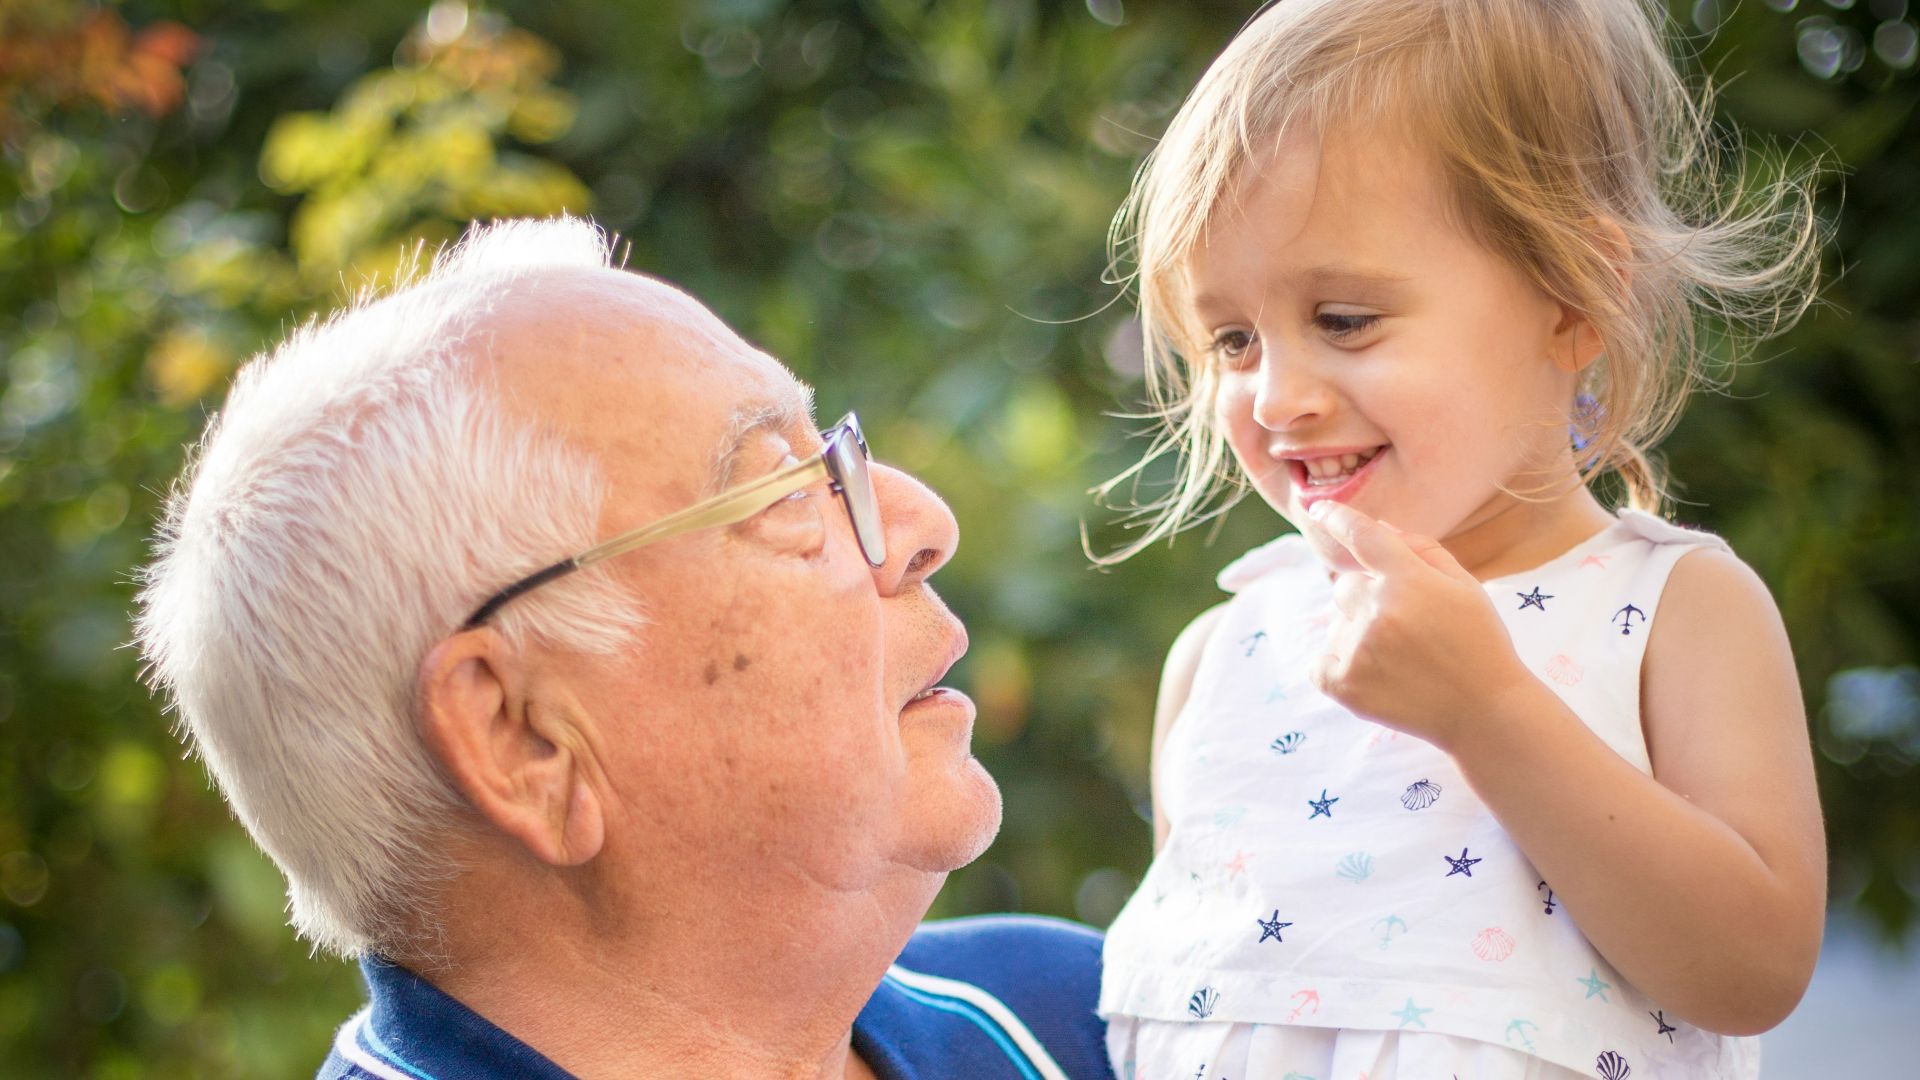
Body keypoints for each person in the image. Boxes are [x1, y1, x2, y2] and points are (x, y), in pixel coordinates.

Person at [134, 217, 1113, 1080]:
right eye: (778, 490)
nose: (919, 519)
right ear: (522, 738)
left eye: (833, 456)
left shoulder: (1102, 1022)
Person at [1089, 1, 1827, 1077]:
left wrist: (1490, 713)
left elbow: (1753, 971)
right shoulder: (1220, 658)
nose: (1277, 396)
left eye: (1344, 319)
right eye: (1232, 339)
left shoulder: (1677, 611)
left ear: (1573, 295)